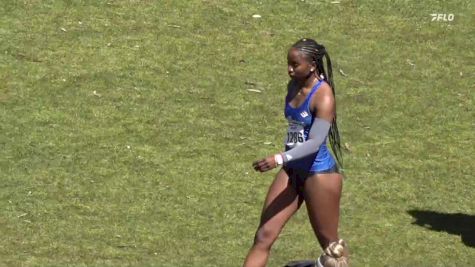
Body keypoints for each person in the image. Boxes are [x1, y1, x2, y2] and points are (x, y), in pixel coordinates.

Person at [243, 38, 349, 267]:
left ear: (312, 65)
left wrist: (278, 158)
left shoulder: (324, 96)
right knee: (263, 236)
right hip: (292, 171)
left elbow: (315, 143)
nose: (289, 69)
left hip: (318, 175)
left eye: (295, 64)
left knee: (332, 250)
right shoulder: (293, 86)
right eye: (288, 64)